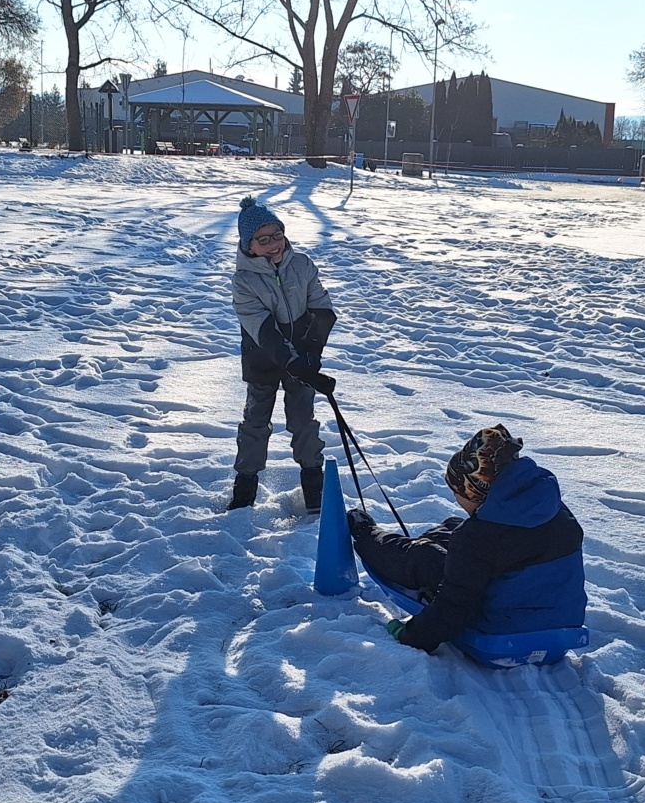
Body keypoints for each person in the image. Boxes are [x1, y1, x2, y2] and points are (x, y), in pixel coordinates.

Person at [348, 424, 587, 653]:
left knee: (424, 556)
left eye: (458, 492)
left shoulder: (475, 540)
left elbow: (454, 609)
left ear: (475, 491)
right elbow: (506, 544)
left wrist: (409, 635)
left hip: (504, 632)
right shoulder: (556, 511)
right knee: (455, 526)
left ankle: (365, 532)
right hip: (563, 624)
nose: (456, 499)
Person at [227, 196, 337, 512]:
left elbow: (322, 308)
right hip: (263, 360)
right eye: (263, 240)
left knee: (304, 422)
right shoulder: (244, 281)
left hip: (302, 358)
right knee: (255, 423)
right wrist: (293, 362)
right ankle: (244, 491)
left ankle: (314, 487)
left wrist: (311, 354)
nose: (274, 244)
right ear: (249, 246)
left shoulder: (301, 265)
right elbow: (263, 330)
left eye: (277, 235)